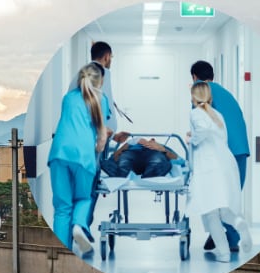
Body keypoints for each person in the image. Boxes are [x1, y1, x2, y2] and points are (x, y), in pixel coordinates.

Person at [187, 81, 252, 262]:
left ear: (194, 96)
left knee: (210, 212)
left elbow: (202, 130)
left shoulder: (196, 113)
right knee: (223, 210)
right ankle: (240, 224)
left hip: (209, 167)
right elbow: (221, 138)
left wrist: (191, 139)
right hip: (225, 163)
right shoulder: (217, 115)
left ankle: (223, 254)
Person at [48, 62, 108, 256]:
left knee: (62, 207)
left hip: (58, 153)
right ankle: (79, 226)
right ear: (100, 81)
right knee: (83, 197)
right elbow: (102, 137)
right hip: (83, 156)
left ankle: (61, 253)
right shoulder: (101, 99)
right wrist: (97, 150)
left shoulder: (68, 98)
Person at [101, 137, 179, 178]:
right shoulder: (130, 146)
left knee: (157, 161)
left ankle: (152, 174)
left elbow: (178, 160)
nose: (145, 141)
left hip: (154, 155)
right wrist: (126, 145)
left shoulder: (160, 146)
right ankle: (120, 173)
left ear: (153, 140)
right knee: (124, 162)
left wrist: (162, 149)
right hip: (131, 154)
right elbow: (113, 158)